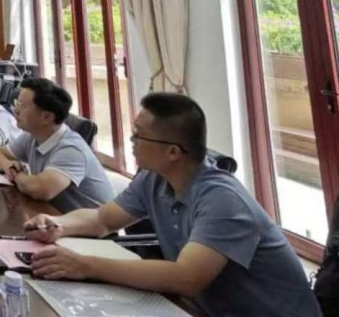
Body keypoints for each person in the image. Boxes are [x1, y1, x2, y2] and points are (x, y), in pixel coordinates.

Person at [26, 92, 320, 317]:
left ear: (173, 152)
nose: (131, 140)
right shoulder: (154, 178)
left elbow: (186, 278)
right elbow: (103, 219)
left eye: (139, 134)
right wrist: (58, 225)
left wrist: (85, 265)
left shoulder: (224, 201)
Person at [0, 77, 113, 208]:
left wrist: (15, 174)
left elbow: (39, 190)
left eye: (22, 106)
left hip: (88, 220)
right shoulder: (32, 135)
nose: (15, 110)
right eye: (17, 103)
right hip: (55, 214)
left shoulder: (71, 150)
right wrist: (8, 166)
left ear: (46, 117)